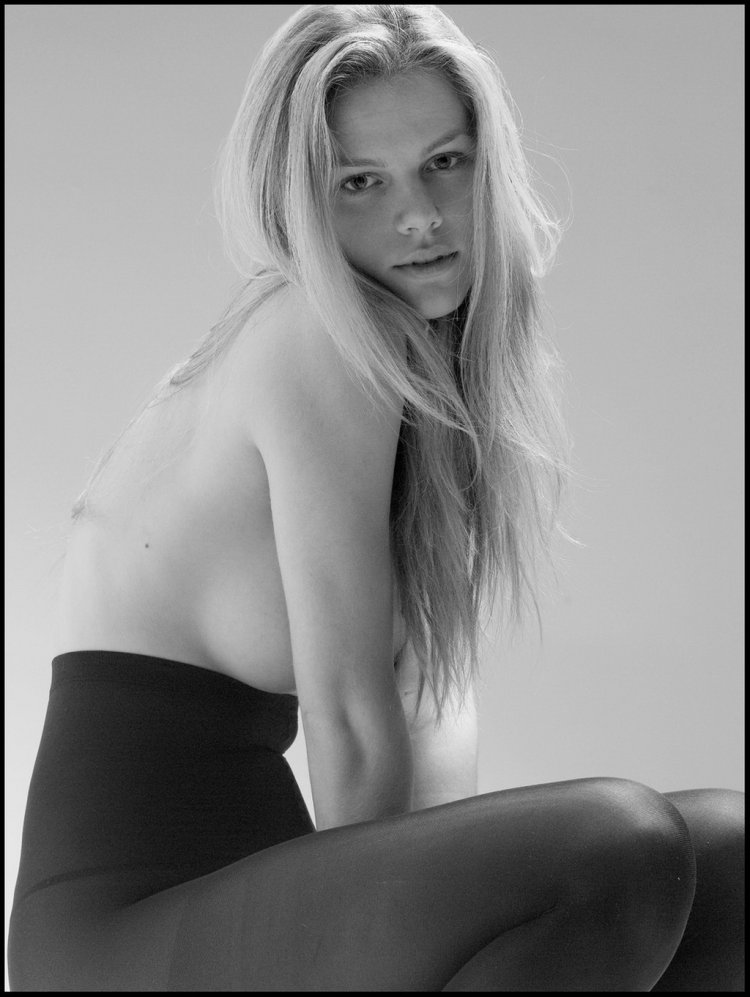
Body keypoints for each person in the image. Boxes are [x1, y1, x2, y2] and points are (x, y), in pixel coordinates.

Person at [8, 4, 743, 991]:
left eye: (445, 163)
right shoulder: (312, 332)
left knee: (728, 860)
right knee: (618, 842)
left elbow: (429, 727)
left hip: (258, 904)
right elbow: (353, 720)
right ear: (302, 202)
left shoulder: (427, 397)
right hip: (123, 938)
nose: (421, 215)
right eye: (362, 181)